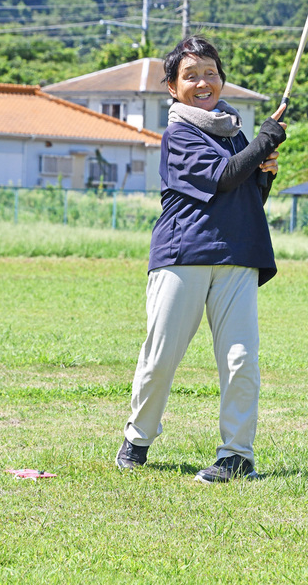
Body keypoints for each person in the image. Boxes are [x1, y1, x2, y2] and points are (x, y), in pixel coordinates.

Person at [116, 35, 287, 483]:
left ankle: (237, 456)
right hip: (183, 255)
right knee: (160, 357)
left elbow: (247, 195)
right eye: (190, 76)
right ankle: (137, 439)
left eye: (210, 73)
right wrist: (264, 141)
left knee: (240, 360)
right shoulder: (178, 135)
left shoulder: (236, 134)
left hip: (238, 255)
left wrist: (264, 170)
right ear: (173, 87)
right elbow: (225, 177)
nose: (203, 82)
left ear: (222, 79)